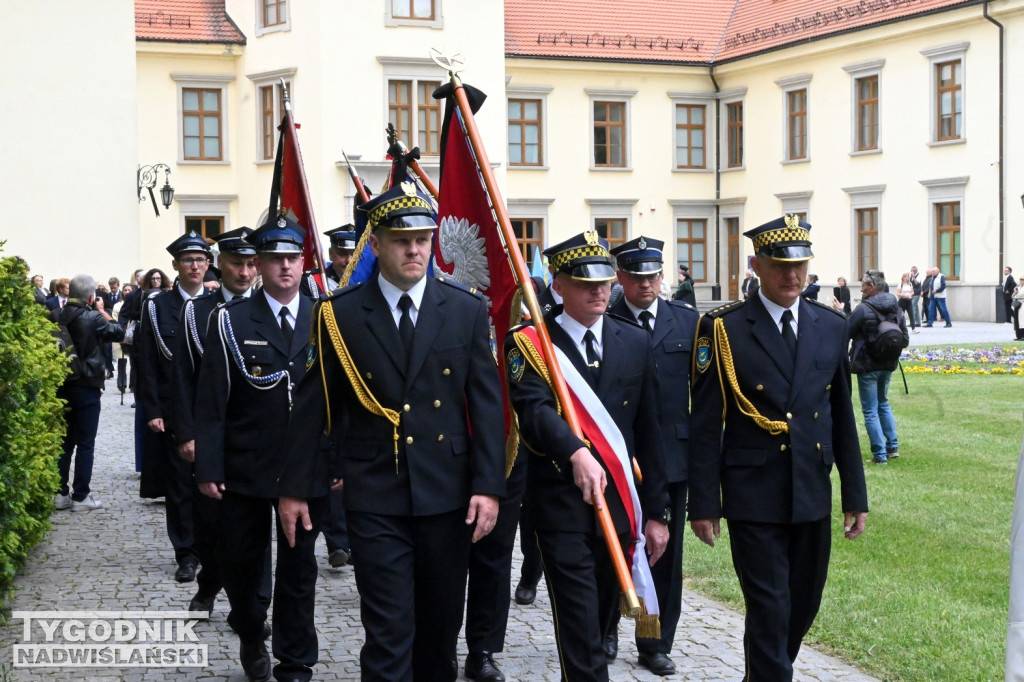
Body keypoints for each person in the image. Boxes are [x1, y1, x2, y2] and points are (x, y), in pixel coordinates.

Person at [277, 184, 506, 681]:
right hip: (375, 491)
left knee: (439, 631)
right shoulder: (339, 314)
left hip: (447, 495)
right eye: (401, 240)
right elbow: (313, 408)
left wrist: (488, 487)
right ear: (375, 244)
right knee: (387, 630)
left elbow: (487, 408)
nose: (415, 249)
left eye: (423, 238)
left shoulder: (465, 309)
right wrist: (295, 489)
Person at [688, 214, 868, 681]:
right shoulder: (722, 329)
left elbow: (841, 417)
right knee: (769, 609)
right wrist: (704, 503)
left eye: (801, 266)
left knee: (803, 604)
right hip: (753, 493)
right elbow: (706, 424)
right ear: (756, 265)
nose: (793, 276)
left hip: (810, 488)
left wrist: (855, 494)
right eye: (780, 265)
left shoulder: (830, 326)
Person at [505, 230, 670, 682]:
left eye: (603, 281)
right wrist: (574, 451)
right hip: (561, 504)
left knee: (601, 618)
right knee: (577, 622)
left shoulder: (634, 340)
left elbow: (649, 433)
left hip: (619, 507)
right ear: (557, 285)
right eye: (584, 282)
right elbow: (534, 411)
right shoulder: (530, 342)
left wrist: (658, 512)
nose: (599, 290)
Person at [194, 217, 320, 682]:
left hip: (304, 467)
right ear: (260, 265)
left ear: (303, 263)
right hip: (244, 466)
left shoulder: (323, 316)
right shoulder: (230, 320)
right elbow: (210, 402)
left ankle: (295, 659)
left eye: (292, 258)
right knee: (244, 566)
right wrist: (208, 464)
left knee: (299, 569)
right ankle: (250, 631)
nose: (284, 267)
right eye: (274, 259)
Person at [608, 236, 697, 676]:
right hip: (619, 454)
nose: (646, 285)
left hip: (672, 454)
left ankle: (655, 641)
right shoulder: (604, 319)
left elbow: (701, 396)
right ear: (620, 277)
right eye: (636, 277)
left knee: (664, 552)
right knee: (611, 544)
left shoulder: (688, 322)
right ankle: (605, 628)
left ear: (663, 277)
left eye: (653, 276)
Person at [172, 227, 259, 620]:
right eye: (236, 264)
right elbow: (185, 377)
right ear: (218, 264)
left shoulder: (271, 308)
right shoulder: (199, 311)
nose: (244, 273)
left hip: (255, 438)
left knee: (254, 532)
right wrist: (188, 433)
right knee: (210, 522)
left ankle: (254, 610)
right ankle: (209, 586)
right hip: (212, 434)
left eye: (251, 264)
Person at [136, 233, 210, 583]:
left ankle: (214, 547)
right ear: (175, 266)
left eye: (200, 259)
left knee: (212, 483)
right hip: (171, 408)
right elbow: (146, 361)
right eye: (187, 260)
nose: (194, 266)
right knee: (179, 485)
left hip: (211, 410)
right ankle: (186, 553)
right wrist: (151, 408)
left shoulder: (217, 305)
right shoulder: (157, 306)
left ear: (209, 264)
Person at [53, 275, 125, 512]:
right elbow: (119, 332)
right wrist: (102, 311)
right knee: (85, 442)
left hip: (62, 383)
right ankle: (81, 496)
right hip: (87, 383)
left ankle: (60, 493)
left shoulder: (56, 315)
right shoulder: (93, 317)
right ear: (92, 296)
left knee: (65, 442)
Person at [848, 270, 909, 465]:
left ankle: (880, 454)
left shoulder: (863, 309)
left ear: (872, 287)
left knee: (870, 410)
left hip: (867, 365)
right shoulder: (896, 308)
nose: (861, 288)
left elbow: (846, 331)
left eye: (864, 285)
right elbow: (905, 340)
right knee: (883, 403)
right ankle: (892, 447)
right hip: (888, 364)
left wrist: (842, 312)